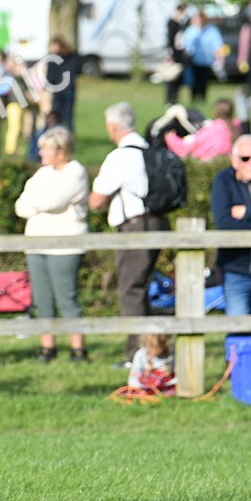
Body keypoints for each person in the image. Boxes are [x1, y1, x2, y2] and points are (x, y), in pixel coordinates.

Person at [89, 102, 169, 366]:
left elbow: (96, 200)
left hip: (135, 227)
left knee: (131, 291)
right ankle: (153, 348)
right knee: (142, 288)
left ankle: (137, 355)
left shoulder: (121, 156)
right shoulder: (150, 149)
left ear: (113, 127)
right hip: (158, 222)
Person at [14, 127, 90, 362]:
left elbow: (50, 201)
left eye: (45, 147)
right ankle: (47, 347)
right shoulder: (42, 174)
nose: (40, 151)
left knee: (67, 298)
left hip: (65, 246)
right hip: (36, 244)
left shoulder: (76, 171)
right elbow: (21, 207)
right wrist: (38, 204)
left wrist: (37, 203)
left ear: (60, 150)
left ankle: (78, 349)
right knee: (42, 299)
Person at [210, 134, 251, 319]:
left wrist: (248, 212)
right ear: (234, 160)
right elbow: (224, 222)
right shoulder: (223, 181)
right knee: (238, 328)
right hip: (235, 269)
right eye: (245, 158)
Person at [164, 99, 240, 161]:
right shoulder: (237, 127)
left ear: (215, 111)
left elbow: (187, 148)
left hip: (209, 164)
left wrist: (171, 138)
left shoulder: (210, 129)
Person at [182, 11, 224, 104]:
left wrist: (219, 59)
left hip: (206, 61)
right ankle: (193, 98)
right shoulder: (191, 30)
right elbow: (186, 45)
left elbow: (217, 45)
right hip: (193, 60)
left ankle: (202, 99)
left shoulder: (212, 30)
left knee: (204, 81)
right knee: (193, 81)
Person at [45, 36, 80, 133]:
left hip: (60, 91)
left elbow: (50, 76)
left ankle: (58, 135)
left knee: (60, 116)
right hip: (68, 90)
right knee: (68, 117)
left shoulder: (53, 59)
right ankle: (67, 136)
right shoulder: (73, 57)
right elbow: (78, 70)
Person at [164, 3, 189, 105]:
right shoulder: (172, 23)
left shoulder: (181, 23)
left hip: (179, 54)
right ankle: (170, 99)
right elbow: (170, 41)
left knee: (178, 78)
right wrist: (169, 55)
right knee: (172, 78)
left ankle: (175, 98)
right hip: (173, 54)